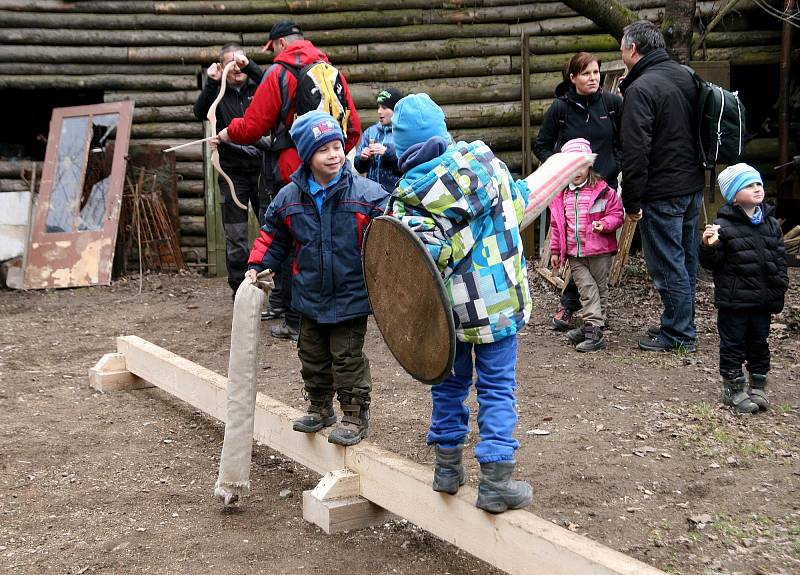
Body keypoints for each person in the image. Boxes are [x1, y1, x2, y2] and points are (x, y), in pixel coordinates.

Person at [386, 93, 533, 514]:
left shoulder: (404, 199)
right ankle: (496, 483)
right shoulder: (486, 167)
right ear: (443, 134)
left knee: (447, 386)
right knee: (497, 388)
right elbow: (518, 203)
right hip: (497, 303)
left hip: (445, 314)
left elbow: (405, 265)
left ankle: (447, 470)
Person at [244, 111, 387, 446]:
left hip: (351, 297)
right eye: (325, 149)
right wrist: (257, 265)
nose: (335, 154)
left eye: (338, 146)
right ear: (308, 155)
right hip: (308, 296)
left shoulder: (368, 195)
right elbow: (272, 236)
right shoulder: (289, 198)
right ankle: (320, 407)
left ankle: (353, 414)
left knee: (347, 358)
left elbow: (390, 239)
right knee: (312, 356)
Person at [218, 20, 362, 341]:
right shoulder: (331, 72)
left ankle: (297, 321)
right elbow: (353, 129)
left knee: (290, 240)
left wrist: (228, 133)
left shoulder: (278, 75)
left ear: (281, 44)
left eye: (273, 49)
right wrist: (330, 161)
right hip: (331, 175)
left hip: (289, 173)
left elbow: (253, 126)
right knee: (321, 239)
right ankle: (293, 307)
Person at [618, 20, 705, 353]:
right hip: (692, 185)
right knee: (684, 261)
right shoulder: (685, 75)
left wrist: (633, 200)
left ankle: (680, 334)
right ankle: (680, 323)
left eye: (622, 48)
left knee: (668, 263)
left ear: (633, 49)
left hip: (663, 190)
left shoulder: (642, 89)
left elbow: (635, 150)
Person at [534, 52, 623, 332]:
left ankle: (586, 311)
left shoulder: (612, 104)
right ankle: (575, 306)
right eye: (586, 73)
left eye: (596, 72)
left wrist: (614, 166)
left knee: (595, 252)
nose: (593, 78)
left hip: (603, 193)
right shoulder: (561, 109)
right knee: (575, 249)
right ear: (572, 78)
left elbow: (624, 141)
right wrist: (560, 170)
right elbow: (542, 145)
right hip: (572, 193)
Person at [699, 164, 788, 413]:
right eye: (749, 185)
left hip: (763, 299)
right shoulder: (722, 227)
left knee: (760, 342)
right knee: (733, 345)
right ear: (734, 195)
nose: (757, 189)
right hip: (734, 301)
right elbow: (711, 264)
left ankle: (758, 385)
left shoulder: (771, 224)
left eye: (759, 183)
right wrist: (709, 246)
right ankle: (733, 389)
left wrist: (780, 285)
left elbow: (780, 258)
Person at [193, 43, 266, 298]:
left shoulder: (260, 86)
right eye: (231, 63)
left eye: (241, 62)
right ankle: (240, 291)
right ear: (221, 67)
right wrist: (212, 83)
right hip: (231, 173)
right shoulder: (217, 90)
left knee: (270, 227)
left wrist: (253, 68)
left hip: (262, 169)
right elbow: (200, 112)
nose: (237, 68)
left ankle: (273, 288)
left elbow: (274, 85)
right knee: (236, 235)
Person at [548, 138, 624, 352]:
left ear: (589, 164)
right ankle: (593, 328)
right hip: (575, 253)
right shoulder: (562, 195)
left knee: (600, 290)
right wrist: (555, 250)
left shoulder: (603, 191)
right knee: (587, 290)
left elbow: (617, 214)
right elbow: (557, 225)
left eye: (581, 165)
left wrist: (605, 224)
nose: (577, 171)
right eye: (572, 166)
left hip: (600, 252)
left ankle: (594, 329)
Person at [353, 87, 404, 191]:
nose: (379, 111)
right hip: (372, 195)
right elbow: (359, 168)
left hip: (397, 195)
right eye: (379, 107)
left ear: (396, 110)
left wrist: (388, 152)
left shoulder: (404, 133)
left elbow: (407, 168)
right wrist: (363, 159)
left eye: (384, 108)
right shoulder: (370, 132)